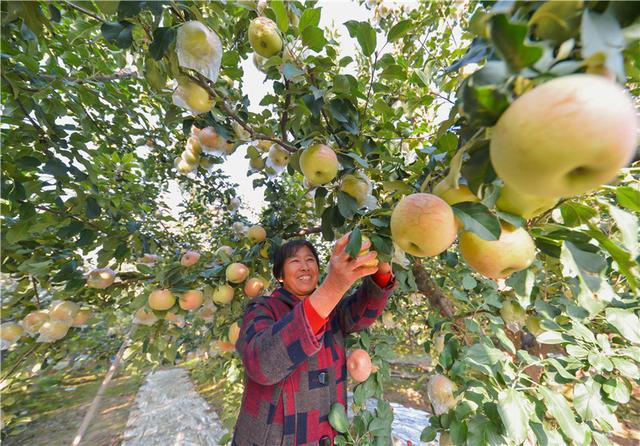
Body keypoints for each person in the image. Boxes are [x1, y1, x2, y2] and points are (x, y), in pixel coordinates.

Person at [232, 234, 396, 446]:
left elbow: (363, 312)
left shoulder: (333, 312)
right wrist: (333, 287)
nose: (304, 266)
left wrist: (381, 268)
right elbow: (261, 363)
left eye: (310, 260)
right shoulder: (262, 308)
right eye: (294, 261)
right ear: (280, 275)